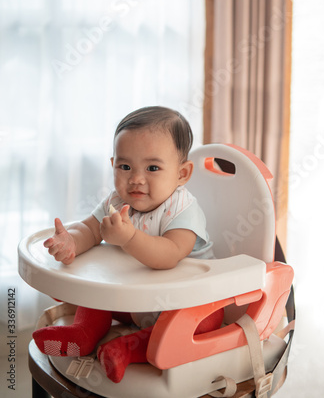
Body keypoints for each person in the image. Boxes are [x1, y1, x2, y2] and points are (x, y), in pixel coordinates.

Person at [33, 106, 223, 383]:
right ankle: (81, 336)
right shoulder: (118, 202)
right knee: (96, 294)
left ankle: (126, 350)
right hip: (133, 299)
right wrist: (71, 242)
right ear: (113, 164)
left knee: (205, 322)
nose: (136, 178)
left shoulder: (183, 210)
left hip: (180, 302)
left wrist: (129, 238)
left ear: (182, 174)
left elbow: (169, 254)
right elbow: (89, 228)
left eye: (153, 168)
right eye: (125, 167)